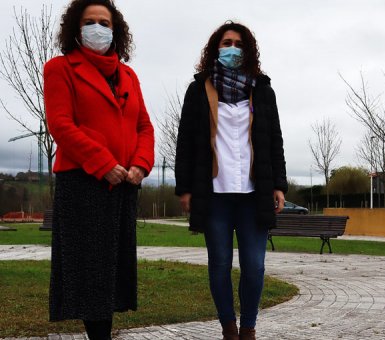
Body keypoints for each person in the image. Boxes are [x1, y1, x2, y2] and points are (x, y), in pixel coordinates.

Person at [44, 0, 154, 338]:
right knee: (90, 272)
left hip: (123, 185)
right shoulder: (60, 68)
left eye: (104, 22)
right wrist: (103, 163)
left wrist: (140, 164)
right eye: (89, 21)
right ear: (76, 29)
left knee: (112, 271)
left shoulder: (129, 76)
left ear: (115, 29)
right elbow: (61, 125)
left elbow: (144, 127)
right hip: (83, 183)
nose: (97, 28)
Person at [175, 21, 287, 340]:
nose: (232, 48)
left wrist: (278, 184)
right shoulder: (198, 90)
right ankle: (229, 327)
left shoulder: (262, 90)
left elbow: (274, 140)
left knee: (254, 266)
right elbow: (185, 141)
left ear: (247, 50)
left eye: (238, 43)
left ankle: (249, 326)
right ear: (216, 48)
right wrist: (185, 187)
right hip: (215, 196)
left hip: (254, 195)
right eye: (226, 43)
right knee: (220, 263)